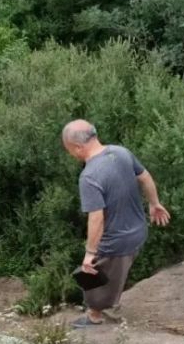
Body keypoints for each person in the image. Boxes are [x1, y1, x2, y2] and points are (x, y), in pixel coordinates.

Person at [62, 120, 170, 328]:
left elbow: (96, 217)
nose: (71, 154)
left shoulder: (89, 176)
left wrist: (90, 253)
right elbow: (145, 177)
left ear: (77, 147)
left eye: (69, 150)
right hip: (139, 231)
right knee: (112, 270)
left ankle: (95, 316)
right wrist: (154, 203)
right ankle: (111, 300)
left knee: (89, 272)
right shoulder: (120, 152)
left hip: (117, 241)